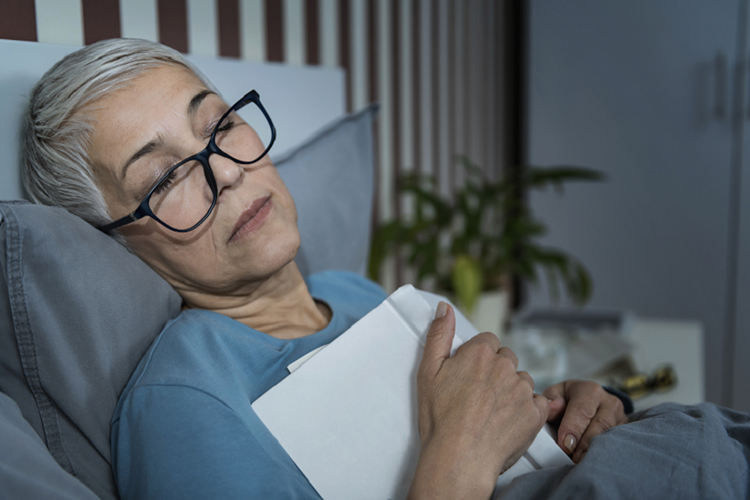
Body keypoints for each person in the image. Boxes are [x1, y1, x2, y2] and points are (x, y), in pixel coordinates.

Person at [21, 38, 630, 500]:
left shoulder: (355, 294)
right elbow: (465, 451)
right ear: (116, 243)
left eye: (221, 126)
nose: (228, 170)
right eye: (165, 177)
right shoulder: (182, 404)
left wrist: (559, 422)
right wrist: (459, 459)